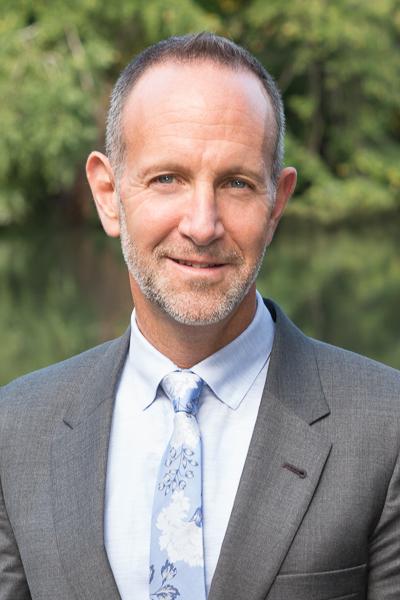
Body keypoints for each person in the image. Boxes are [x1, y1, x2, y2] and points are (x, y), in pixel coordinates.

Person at [0, 32, 399, 600]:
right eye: (168, 179)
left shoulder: (387, 429)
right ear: (108, 194)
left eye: (236, 183)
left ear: (277, 203)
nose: (202, 224)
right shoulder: (14, 430)